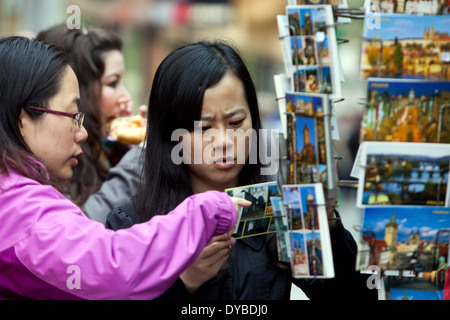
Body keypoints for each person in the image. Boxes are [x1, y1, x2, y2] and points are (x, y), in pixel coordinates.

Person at [106, 40, 378, 300]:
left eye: (236, 122)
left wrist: (327, 225)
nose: (224, 141)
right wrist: (183, 282)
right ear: (169, 133)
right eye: (204, 127)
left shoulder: (278, 209)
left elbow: (358, 295)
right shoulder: (130, 224)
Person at [0, 36, 247, 300]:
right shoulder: (22, 210)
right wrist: (209, 210)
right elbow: (113, 265)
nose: (81, 132)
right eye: (73, 116)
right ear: (23, 120)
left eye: (236, 121)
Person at [35, 24, 141, 220]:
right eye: (113, 83)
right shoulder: (51, 165)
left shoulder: (110, 153)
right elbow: (82, 229)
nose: (126, 98)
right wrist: (138, 161)